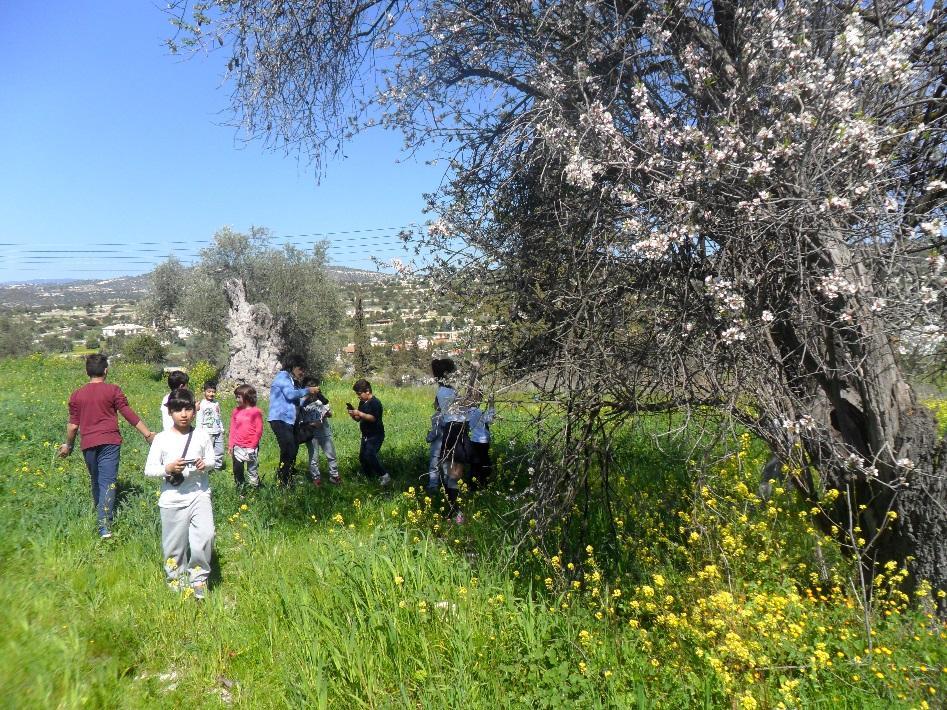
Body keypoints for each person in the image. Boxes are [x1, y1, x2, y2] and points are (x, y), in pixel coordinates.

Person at [58, 353, 156, 539]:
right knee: (107, 482)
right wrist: (147, 434)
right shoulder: (113, 390)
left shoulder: (77, 395)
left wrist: (68, 446)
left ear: (87, 372)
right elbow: (128, 413)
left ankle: (100, 513)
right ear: (106, 370)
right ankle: (104, 526)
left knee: (96, 480)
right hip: (110, 442)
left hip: (88, 444)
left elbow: (72, 426)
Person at [144, 389, 217, 600]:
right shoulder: (162, 439)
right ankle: (176, 580)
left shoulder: (202, 435)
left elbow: (212, 460)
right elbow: (149, 469)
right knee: (173, 545)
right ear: (170, 413)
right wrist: (168, 468)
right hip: (172, 498)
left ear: (194, 410)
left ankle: (199, 578)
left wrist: (205, 464)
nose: (183, 414)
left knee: (206, 535)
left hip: (199, 493)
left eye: (187, 409)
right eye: (178, 410)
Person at [268, 355, 321, 487]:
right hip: (280, 419)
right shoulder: (283, 377)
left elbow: (295, 402)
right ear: (292, 366)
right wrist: (308, 390)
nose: (302, 372)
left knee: (291, 448)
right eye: (300, 368)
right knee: (289, 450)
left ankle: (285, 478)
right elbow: (290, 394)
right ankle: (284, 482)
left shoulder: (290, 380)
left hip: (288, 420)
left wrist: (308, 397)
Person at [434, 359, 470, 523]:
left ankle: (452, 510)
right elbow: (470, 402)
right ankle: (455, 512)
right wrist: (475, 374)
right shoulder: (446, 392)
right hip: (455, 431)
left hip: (456, 430)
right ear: (447, 374)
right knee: (454, 473)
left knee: (453, 474)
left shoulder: (445, 390)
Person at [298, 376, 341, 486]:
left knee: (331, 454)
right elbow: (299, 421)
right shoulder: (301, 402)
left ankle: (334, 476)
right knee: (313, 457)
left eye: (315, 389)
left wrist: (327, 413)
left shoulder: (321, 400)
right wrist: (311, 424)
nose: (313, 392)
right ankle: (316, 478)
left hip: (324, 431)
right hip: (310, 433)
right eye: (310, 389)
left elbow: (329, 413)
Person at [348, 379, 390, 486]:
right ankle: (369, 478)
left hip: (376, 435)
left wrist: (359, 413)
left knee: (370, 455)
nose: (358, 396)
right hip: (365, 435)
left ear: (367, 391)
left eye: (359, 394)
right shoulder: (362, 402)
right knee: (362, 457)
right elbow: (359, 418)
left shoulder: (375, 403)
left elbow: (373, 418)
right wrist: (353, 414)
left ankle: (384, 476)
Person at [229, 384, 263, 492]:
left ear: (247, 397)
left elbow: (259, 430)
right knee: (237, 470)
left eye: (239, 397)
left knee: (252, 470)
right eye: (236, 397)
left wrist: (253, 446)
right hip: (237, 447)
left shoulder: (256, 412)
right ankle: (241, 490)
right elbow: (233, 429)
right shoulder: (235, 411)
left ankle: (254, 490)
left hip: (251, 447)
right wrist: (231, 445)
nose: (236, 399)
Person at [466, 390, 495, 491]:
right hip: (482, 441)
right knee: (484, 465)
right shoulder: (476, 411)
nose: (481, 400)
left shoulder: (468, 411)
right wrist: (491, 404)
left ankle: (473, 486)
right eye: (480, 397)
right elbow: (490, 419)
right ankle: (482, 485)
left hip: (474, 440)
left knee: (475, 464)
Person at [196, 380, 225, 469]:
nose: (211, 394)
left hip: (218, 431)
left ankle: (217, 468)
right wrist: (199, 432)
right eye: (209, 392)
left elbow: (218, 416)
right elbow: (199, 419)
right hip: (207, 432)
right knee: (207, 451)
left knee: (219, 450)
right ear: (204, 392)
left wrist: (221, 428)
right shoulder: (202, 404)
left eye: (213, 392)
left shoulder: (216, 403)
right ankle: (206, 468)